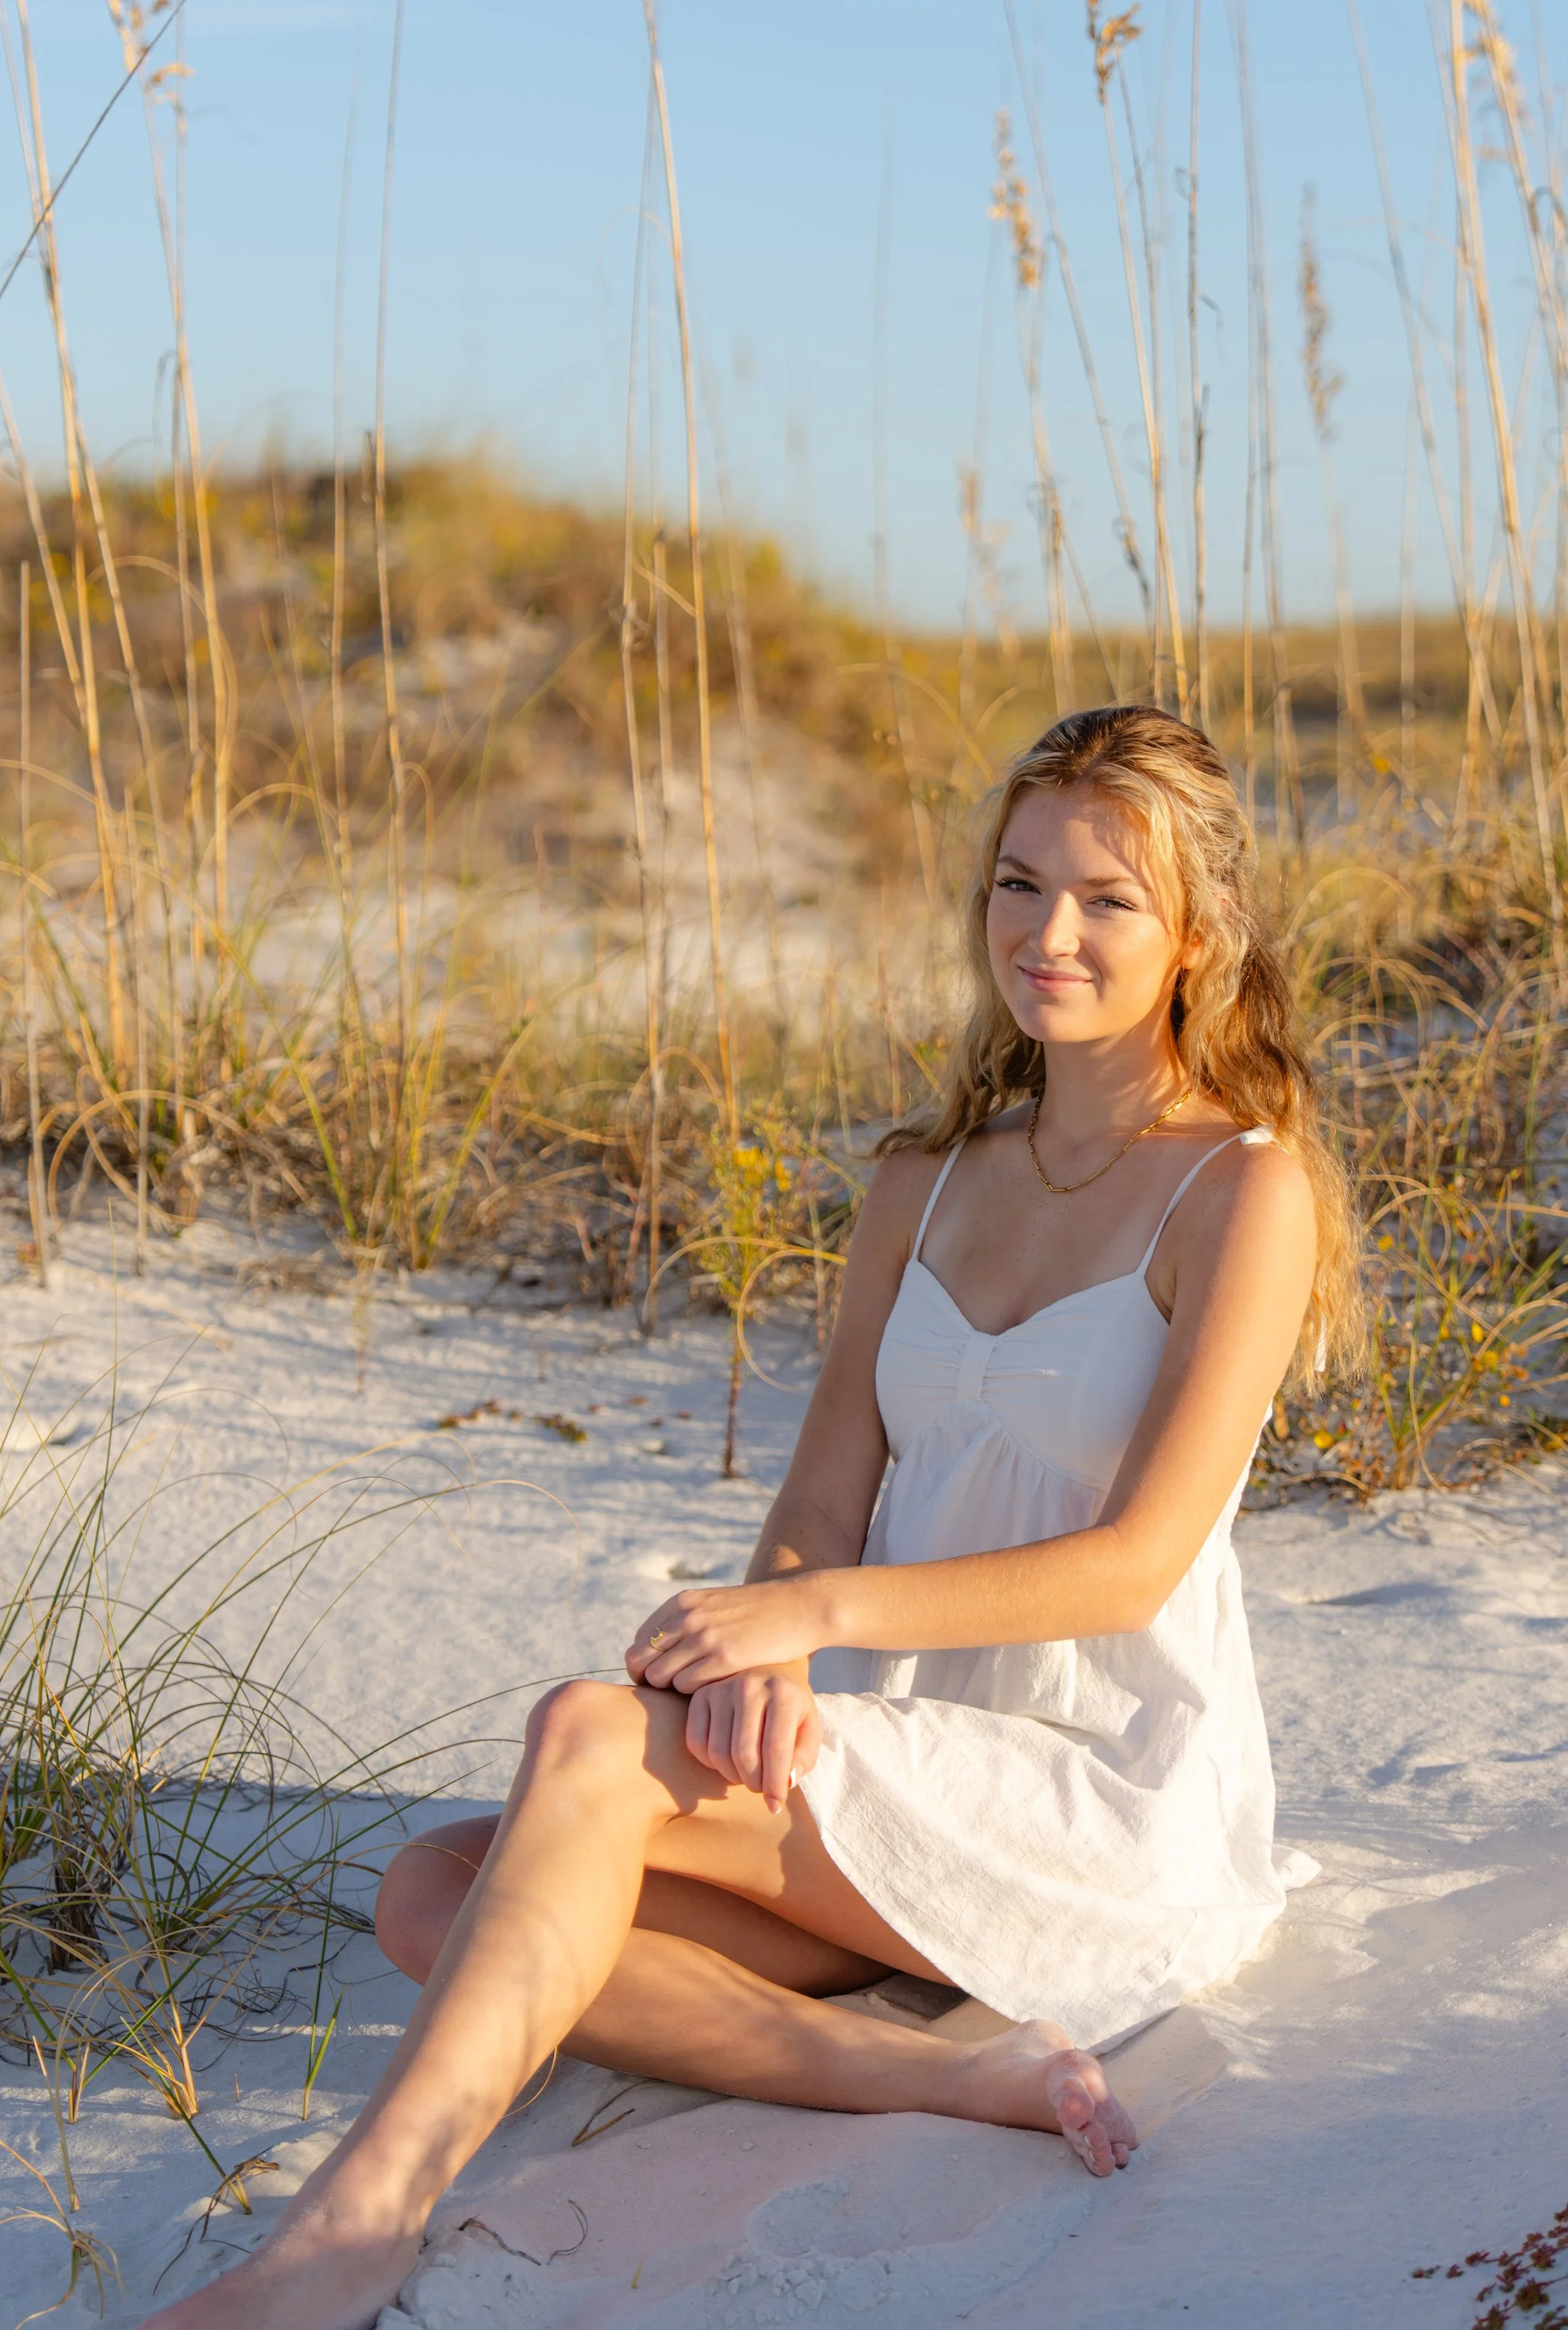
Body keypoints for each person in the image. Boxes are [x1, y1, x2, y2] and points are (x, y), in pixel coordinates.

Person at [142, 704, 1362, 2330]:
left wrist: (809, 1618)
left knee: (584, 1734)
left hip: (1098, 1800)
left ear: (1194, 933)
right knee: (435, 1889)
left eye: (1102, 897)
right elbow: (819, 1494)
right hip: (900, 1764)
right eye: (1014, 882)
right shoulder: (921, 1179)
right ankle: (932, 2071)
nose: (1043, 933)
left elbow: (1133, 1560)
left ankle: (351, 2228)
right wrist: (768, 1641)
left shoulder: (1241, 1189)